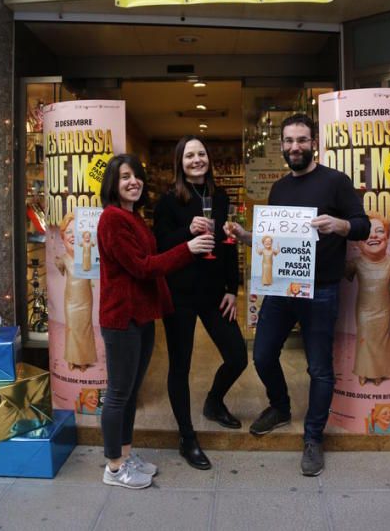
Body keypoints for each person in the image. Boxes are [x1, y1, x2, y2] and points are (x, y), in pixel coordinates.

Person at [226, 113, 370, 477]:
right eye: (289, 141)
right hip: (282, 287)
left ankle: (313, 438)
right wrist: (246, 238)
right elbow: (278, 240)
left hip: (321, 290)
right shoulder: (279, 188)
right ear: (282, 146)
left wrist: (340, 224)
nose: (294, 147)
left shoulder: (336, 182)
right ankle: (280, 406)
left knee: (319, 368)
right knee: (261, 355)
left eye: (301, 140)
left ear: (314, 142)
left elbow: (363, 225)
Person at [97, 153, 214, 490]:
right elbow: (142, 267)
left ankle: (125, 453)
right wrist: (187, 248)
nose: (133, 182)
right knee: (118, 394)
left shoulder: (133, 217)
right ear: (113, 184)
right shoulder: (112, 219)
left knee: (131, 392)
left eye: (136, 176)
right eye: (124, 177)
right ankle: (114, 468)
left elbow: (148, 260)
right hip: (122, 317)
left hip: (141, 314)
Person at [154, 136, 248, 471]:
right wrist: (186, 231)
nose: (197, 159)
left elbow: (227, 242)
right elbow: (159, 247)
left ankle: (213, 401)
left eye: (202, 154)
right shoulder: (167, 201)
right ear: (180, 162)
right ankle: (186, 436)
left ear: (209, 159)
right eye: (190, 155)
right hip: (179, 293)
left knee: (237, 356)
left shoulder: (219, 196)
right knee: (180, 365)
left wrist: (231, 288)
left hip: (212, 293)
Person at [345, 212, 390, 387]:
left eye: (379, 231)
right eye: (367, 232)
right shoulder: (357, 263)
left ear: (387, 238)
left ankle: (378, 374)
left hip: (384, 310)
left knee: (381, 340)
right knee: (365, 340)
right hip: (364, 310)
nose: (373, 235)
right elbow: (342, 271)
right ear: (359, 241)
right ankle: (363, 372)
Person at [55, 213, 97, 372]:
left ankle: (84, 360)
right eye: (68, 232)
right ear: (62, 236)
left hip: (85, 299)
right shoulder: (63, 259)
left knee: (85, 327)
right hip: (71, 301)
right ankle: (73, 359)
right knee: (72, 328)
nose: (72, 236)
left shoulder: (87, 258)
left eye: (76, 232)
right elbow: (58, 267)